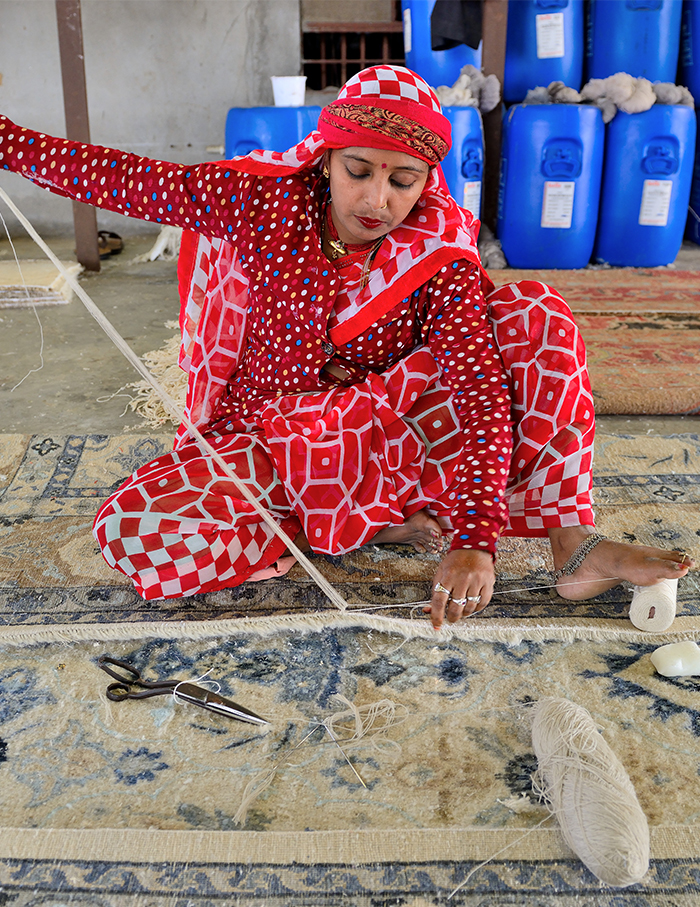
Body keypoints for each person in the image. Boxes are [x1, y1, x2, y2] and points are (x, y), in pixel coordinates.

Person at [0, 65, 692, 627]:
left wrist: (476, 541)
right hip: (272, 439)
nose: (378, 200)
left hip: (383, 445)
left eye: (402, 180)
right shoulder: (258, 200)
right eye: (359, 170)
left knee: (532, 313)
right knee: (129, 525)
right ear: (326, 156)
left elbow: (480, 395)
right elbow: (123, 177)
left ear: (427, 181)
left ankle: (573, 543)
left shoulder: (438, 257)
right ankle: (353, 527)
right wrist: (5, 141)